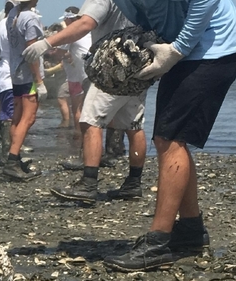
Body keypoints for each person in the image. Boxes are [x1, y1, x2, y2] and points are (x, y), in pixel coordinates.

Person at [100, 0, 236, 271]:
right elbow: (144, 16)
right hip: (178, 52)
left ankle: (157, 243)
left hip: (214, 50)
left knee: (169, 139)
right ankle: (191, 229)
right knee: (169, 137)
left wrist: (177, 49)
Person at [25, 0, 149, 206]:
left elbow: (85, 24)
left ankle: (88, 184)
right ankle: (134, 182)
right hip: (138, 61)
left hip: (111, 62)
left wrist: (47, 42)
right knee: (134, 124)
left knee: (90, 121)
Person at [2, 0, 47, 181]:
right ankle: (13, 161)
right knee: (28, 118)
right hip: (27, 74)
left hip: (15, 72)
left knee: (17, 118)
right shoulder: (29, 18)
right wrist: (39, 80)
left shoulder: (11, 15)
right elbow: (32, 51)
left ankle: (15, 157)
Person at [0, 1, 17, 164]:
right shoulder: (10, 25)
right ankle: (9, 153)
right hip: (9, 76)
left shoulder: (0, 23)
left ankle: (3, 148)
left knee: (3, 112)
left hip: (0, 74)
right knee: (9, 115)